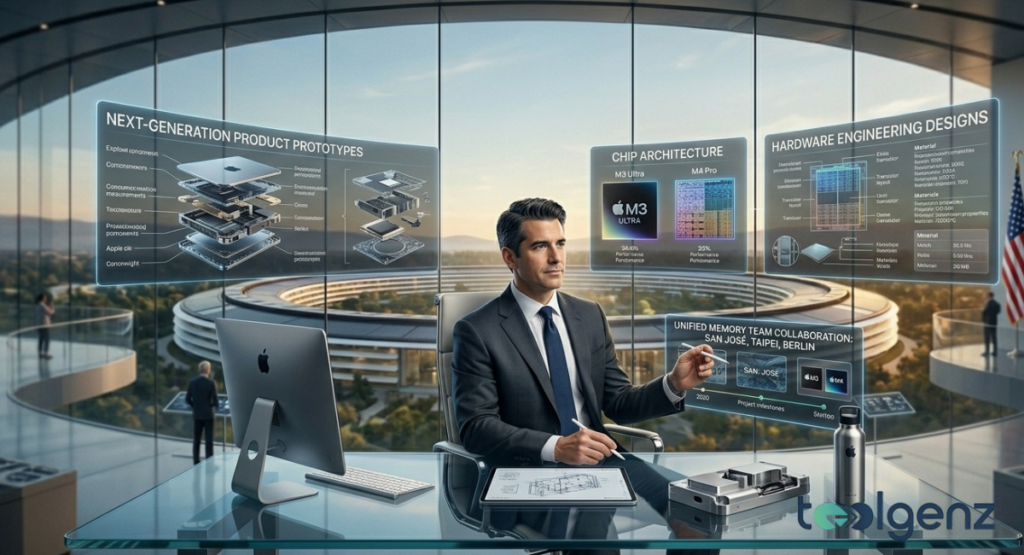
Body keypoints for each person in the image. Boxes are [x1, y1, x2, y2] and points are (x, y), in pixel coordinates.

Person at [451, 198, 716, 465]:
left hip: (602, 460)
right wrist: (555, 448)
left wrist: (673, 384)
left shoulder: (590, 315)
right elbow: (476, 427)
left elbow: (618, 403)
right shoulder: (477, 331)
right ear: (510, 257)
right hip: (527, 470)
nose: (555, 257)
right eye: (540, 246)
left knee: (678, 500)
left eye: (560, 244)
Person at [186, 360, 218, 464]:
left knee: (197, 440)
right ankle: (209, 461)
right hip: (209, 415)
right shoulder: (211, 383)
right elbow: (215, 401)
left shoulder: (192, 383)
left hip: (197, 414)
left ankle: (196, 461)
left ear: (200, 369)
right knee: (209, 441)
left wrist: (195, 406)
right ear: (208, 370)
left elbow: (187, 399)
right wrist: (210, 406)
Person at [35, 293, 54, 359]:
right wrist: (52, 307)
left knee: (41, 339)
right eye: (45, 298)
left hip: (39, 324)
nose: (46, 299)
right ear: (43, 299)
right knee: (46, 339)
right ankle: (46, 353)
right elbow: (50, 312)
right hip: (45, 325)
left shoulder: (37, 305)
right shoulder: (42, 305)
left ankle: (40, 352)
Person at [982, 292, 1001, 357]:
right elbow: (998, 311)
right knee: (993, 338)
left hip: (988, 323)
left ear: (989, 296)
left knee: (988, 338)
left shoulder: (989, 303)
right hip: (993, 323)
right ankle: (994, 352)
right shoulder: (996, 304)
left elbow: (984, 312)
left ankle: (987, 351)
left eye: (986, 295)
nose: (985, 296)